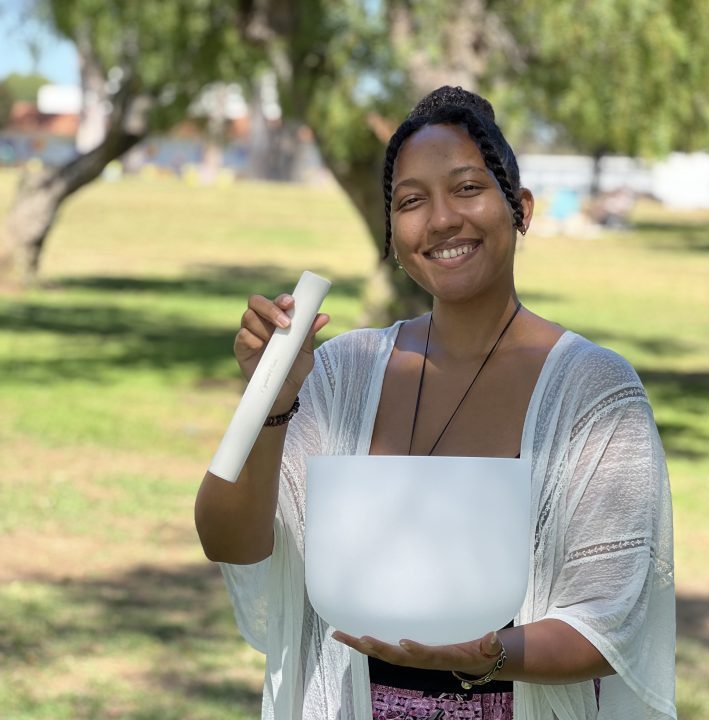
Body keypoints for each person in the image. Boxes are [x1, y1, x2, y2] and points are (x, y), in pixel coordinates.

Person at [195, 86, 676, 720]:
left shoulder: (593, 392)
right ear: (393, 234)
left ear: (521, 208)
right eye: (411, 201)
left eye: (468, 188)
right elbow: (228, 540)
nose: (442, 219)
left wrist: (485, 656)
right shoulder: (342, 373)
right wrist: (271, 405)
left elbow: (607, 621)